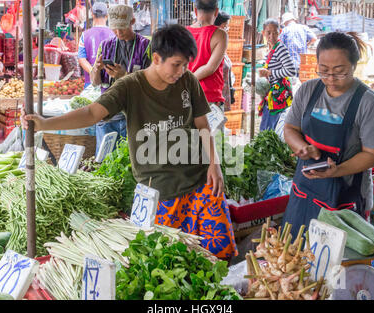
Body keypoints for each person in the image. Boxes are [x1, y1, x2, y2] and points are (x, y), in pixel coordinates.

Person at [22, 24, 238, 260]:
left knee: (220, 254)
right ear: (156, 58)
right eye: (176, 64)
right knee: (171, 262)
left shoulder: (188, 81)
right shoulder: (130, 86)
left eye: (185, 65)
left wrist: (214, 164)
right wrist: (44, 123)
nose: (181, 71)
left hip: (200, 181)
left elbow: (202, 125)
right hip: (160, 189)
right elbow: (92, 113)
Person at [282, 32, 374, 240]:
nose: (330, 78)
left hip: (346, 194)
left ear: (354, 65)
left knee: (339, 263)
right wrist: (302, 147)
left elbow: (373, 154)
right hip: (305, 190)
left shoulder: (369, 103)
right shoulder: (308, 90)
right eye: (323, 70)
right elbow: (290, 128)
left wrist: (337, 170)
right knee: (295, 254)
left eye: (339, 72)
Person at [90, 4, 151, 155]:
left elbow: (151, 83)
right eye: (114, 28)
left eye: (122, 28)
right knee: (104, 162)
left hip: (135, 115)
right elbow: (95, 82)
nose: (118, 32)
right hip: (108, 114)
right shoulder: (105, 46)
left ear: (132, 21)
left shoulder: (147, 46)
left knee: (131, 161)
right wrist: (96, 69)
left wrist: (124, 76)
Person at [187, 0, 228, 109]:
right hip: (210, 97)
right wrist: (190, 80)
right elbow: (210, 68)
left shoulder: (184, 33)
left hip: (187, 95)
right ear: (216, 12)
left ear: (195, 11)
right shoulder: (220, 34)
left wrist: (186, 82)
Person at [258, 18, 296, 131]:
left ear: (279, 32)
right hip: (272, 94)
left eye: (275, 32)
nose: (272, 36)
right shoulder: (270, 49)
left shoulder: (280, 48)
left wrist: (271, 73)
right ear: (263, 33)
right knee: (268, 127)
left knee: (270, 129)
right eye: (268, 32)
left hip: (278, 95)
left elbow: (291, 70)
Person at [78, 2, 114, 88]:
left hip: (90, 84)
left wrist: (93, 72)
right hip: (111, 84)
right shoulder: (115, 34)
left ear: (92, 15)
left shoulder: (84, 35)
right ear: (107, 16)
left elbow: (81, 59)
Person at [214, 11, 235, 111]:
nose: (227, 29)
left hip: (222, 95)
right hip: (215, 96)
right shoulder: (214, 45)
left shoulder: (221, 45)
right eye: (225, 26)